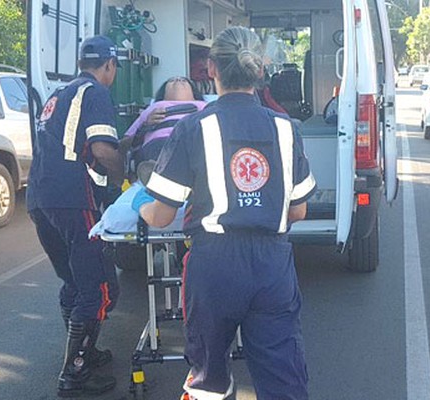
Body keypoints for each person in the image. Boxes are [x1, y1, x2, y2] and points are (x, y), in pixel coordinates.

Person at [132, 26, 316, 400]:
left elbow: (162, 215)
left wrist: (143, 208)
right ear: (260, 71)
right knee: (283, 376)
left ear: (211, 68)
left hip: (214, 265)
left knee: (209, 378)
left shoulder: (192, 128)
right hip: (272, 265)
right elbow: (298, 210)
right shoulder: (286, 128)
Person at [26, 35, 125, 398]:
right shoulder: (96, 92)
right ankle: (74, 372)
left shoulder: (58, 94)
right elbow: (102, 148)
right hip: (72, 199)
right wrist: (123, 178)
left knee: (73, 281)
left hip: (39, 198)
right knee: (99, 287)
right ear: (109, 65)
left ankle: (84, 353)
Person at [123, 76, 206, 164]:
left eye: (184, 80)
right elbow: (124, 144)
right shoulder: (153, 108)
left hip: (192, 143)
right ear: (163, 94)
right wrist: (145, 126)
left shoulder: (204, 107)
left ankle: (156, 169)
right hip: (159, 143)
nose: (178, 80)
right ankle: (152, 168)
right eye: (172, 81)